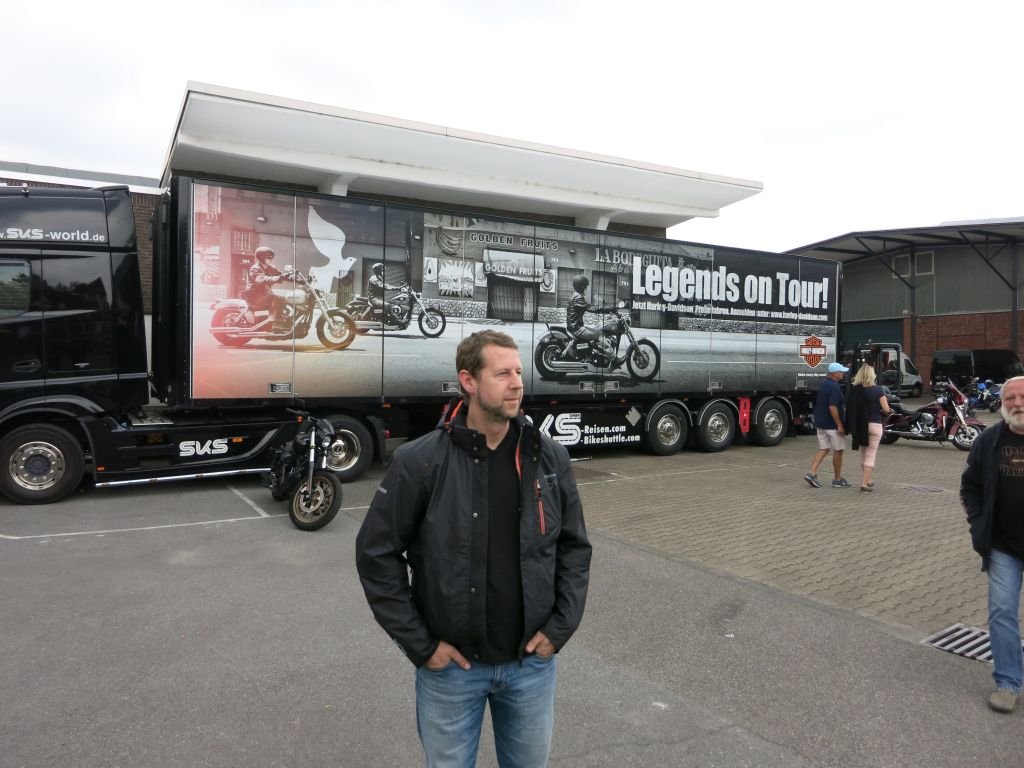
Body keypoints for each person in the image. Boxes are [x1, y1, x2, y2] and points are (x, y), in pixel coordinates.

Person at [355, 329, 592, 766]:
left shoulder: (548, 458)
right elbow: (376, 554)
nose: (517, 383)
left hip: (530, 667)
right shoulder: (421, 461)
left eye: (518, 372)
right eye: (502, 374)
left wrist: (560, 628)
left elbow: (574, 548)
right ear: (468, 381)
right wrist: (422, 646)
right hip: (451, 671)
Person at [960, 374, 1024, 714]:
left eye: (1022, 397)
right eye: (1010, 398)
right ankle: (1008, 682)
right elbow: (969, 485)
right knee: (1002, 612)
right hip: (1002, 545)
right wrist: (977, 522)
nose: (1017, 403)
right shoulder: (988, 440)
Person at [805, 361, 851, 488]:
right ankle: (837, 479)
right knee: (838, 450)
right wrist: (839, 424)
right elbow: (832, 406)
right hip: (832, 426)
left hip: (821, 423)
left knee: (824, 448)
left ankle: (812, 472)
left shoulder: (824, 384)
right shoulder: (835, 387)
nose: (843, 374)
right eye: (841, 372)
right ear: (835, 373)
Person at [847, 364, 892, 492]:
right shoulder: (878, 390)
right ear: (872, 376)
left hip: (861, 425)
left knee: (863, 453)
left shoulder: (855, 390)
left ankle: (868, 479)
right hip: (875, 424)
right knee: (871, 454)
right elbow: (886, 409)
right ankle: (864, 483)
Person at [566, 275, 615, 361]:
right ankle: (613, 359)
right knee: (600, 334)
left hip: (574, 326)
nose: (586, 289)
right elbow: (591, 308)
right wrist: (608, 309)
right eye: (585, 287)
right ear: (582, 287)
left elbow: (588, 306)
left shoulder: (574, 295)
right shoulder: (578, 297)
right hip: (577, 328)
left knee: (596, 329)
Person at [247, 246, 286, 327]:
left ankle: (281, 318)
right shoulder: (255, 269)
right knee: (277, 298)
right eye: (268, 258)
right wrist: (275, 278)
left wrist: (294, 277)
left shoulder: (271, 268)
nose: (270, 259)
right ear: (261, 257)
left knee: (284, 298)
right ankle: (273, 321)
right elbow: (261, 279)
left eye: (271, 257)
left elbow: (281, 274)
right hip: (254, 295)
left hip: (264, 293)